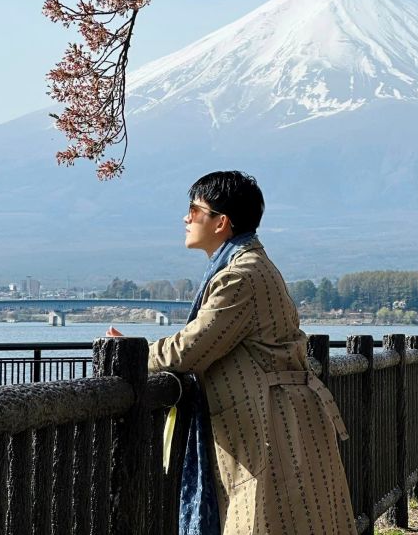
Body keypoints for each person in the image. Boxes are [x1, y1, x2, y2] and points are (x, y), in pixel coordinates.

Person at [148, 170, 356, 535]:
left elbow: (188, 351)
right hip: (276, 421)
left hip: (273, 427)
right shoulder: (248, 265)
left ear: (221, 222)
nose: (186, 218)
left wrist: (134, 354)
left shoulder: (240, 275)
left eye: (194, 210)